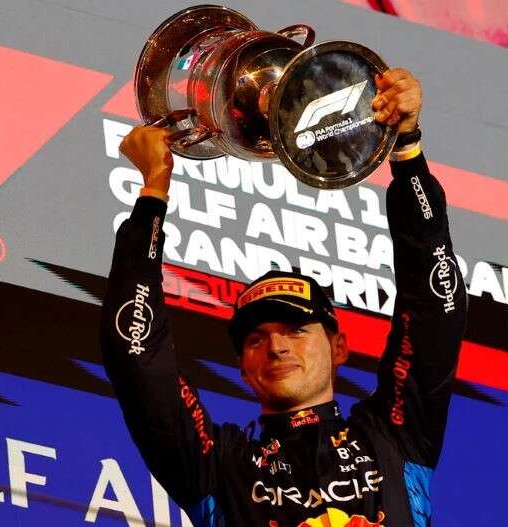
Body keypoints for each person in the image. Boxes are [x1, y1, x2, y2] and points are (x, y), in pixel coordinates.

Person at [100, 69, 467, 527]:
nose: (276, 346)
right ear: (243, 367)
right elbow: (134, 353)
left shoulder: (395, 435)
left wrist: (406, 149)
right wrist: (154, 189)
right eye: (256, 338)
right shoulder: (217, 468)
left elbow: (436, 307)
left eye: (296, 330)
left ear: (338, 346)